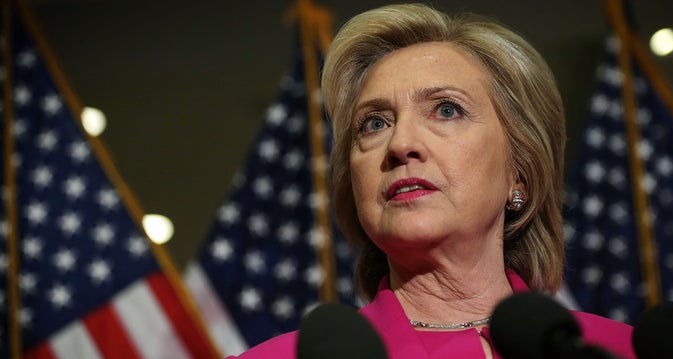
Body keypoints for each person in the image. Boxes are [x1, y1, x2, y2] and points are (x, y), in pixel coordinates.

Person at [229, 3, 635, 358]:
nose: (400, 143)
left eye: (446, 110)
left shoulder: (624, 351)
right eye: (374, 123)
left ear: (521, 171)